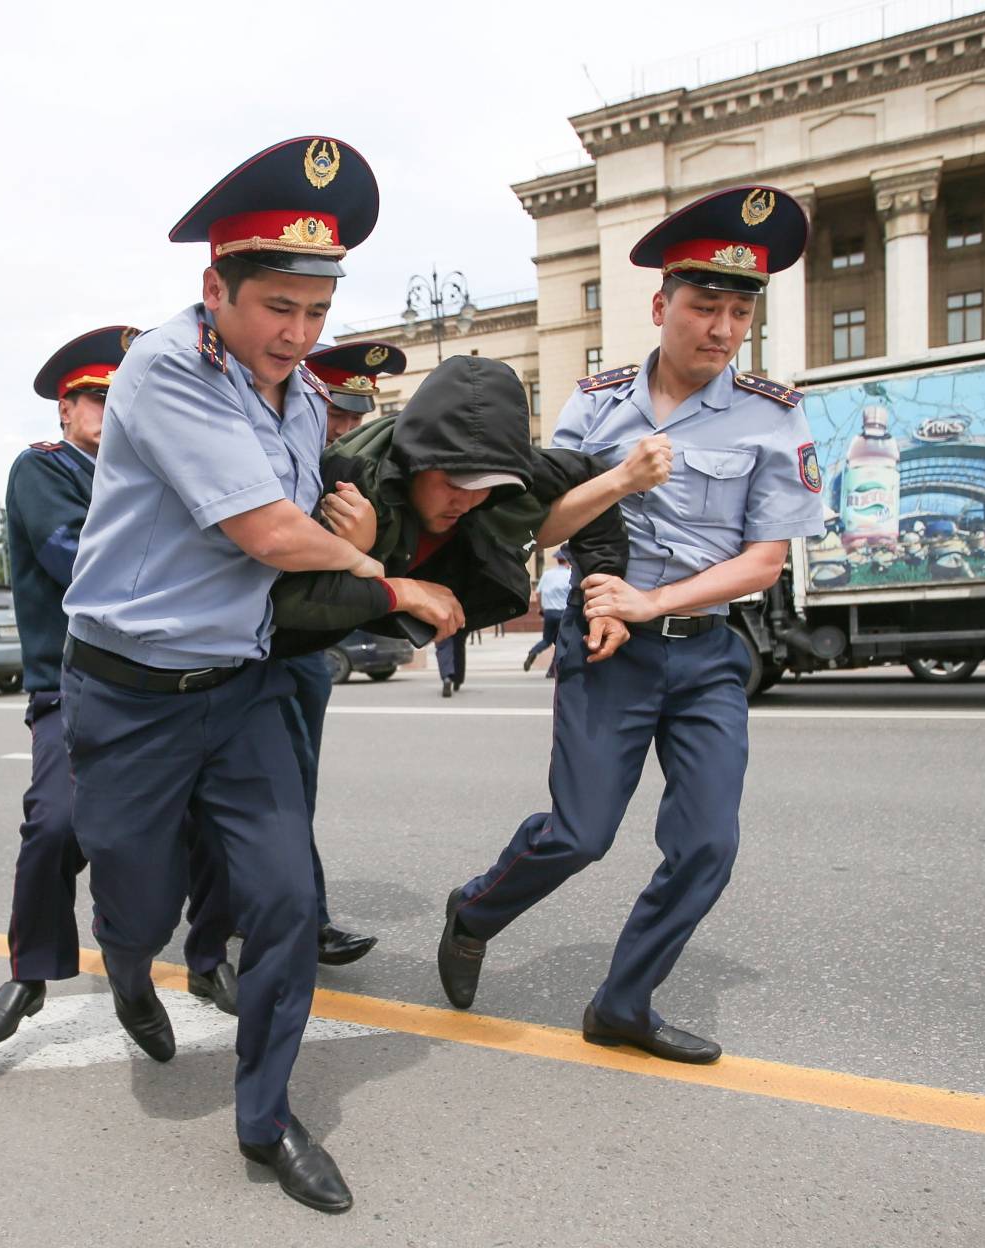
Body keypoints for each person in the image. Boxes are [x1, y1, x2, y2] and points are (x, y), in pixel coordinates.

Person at [59, 136, 385, 1215]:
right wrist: (383, 577)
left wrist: (354, 523)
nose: (297, 335)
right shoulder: (165, 366)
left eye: (314, 310)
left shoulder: (295, 392)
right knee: (140, 902)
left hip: (238, 684)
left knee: (285, 897)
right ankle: (125, 963)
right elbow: (265, 532)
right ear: (216, 290)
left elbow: (308, 512)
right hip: (131, 692)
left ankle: (266, 1121)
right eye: (275, 307)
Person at [436, 185, 824, 1065]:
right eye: (702, 306)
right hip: (607, 646)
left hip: (705, 652)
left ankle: (624, 1001)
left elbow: (766, 561)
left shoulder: (773, 413)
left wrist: (652, 601)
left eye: (737, 311)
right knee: (579, 834)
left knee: (707, 846)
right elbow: (539, 525)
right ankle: (476, 909)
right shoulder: (598, 404)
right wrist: (618, 483)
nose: (721, 329)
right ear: (661, 306)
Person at [0, 327, 240, 1047]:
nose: (114, 408)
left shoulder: (155, 468)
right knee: (57, 823)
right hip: (73, 684)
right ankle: (30, 974)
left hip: (173, 682)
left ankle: (208, 957)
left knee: (212, 821)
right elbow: (75, 560)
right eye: (98, 397)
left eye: (125, 396)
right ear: (66, 409)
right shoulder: (45, 470)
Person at [266, 353, 655, 682]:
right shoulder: (348, 482)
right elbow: (283, 598)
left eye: (484, 485)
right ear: (414, 463)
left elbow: (592, 479)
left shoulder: (511, 466)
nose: (465, 500)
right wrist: (376, 569)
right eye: (453, 482)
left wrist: (604, 592)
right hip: (269, 649)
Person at [279, 340, 407, 963]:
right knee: (267, 794)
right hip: (250, 648)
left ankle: (300, 916)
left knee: (293, 791)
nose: (347, 429)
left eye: (358, 417)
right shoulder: (275, 454)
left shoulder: (350, 474)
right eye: (338, 412)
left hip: (305, 655)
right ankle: (300, 919)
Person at [523, 549, 572, 675]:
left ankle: (533, 652)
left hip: (549, 612)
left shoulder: (547, 574)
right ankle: (552, 670)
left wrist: (541, 608)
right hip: (563, 613)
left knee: (546, 640)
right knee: (562, 642)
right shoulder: (569, 575)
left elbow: (538, 593)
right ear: (567, 561)